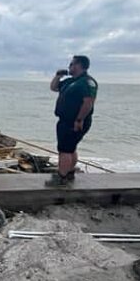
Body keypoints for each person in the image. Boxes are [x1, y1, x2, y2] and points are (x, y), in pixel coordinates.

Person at [46, 55, 98, 186]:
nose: (70, 66)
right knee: (70, 147)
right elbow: (53, 87)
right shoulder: (70, 81)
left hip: (75, 121)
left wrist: (79, 119)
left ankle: (61, 177)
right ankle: (69, 172)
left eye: (72, 64)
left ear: (79, 65)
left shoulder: (86, 82)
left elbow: (88, 103)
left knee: (64, 150)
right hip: (65, 120)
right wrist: (58, 76)